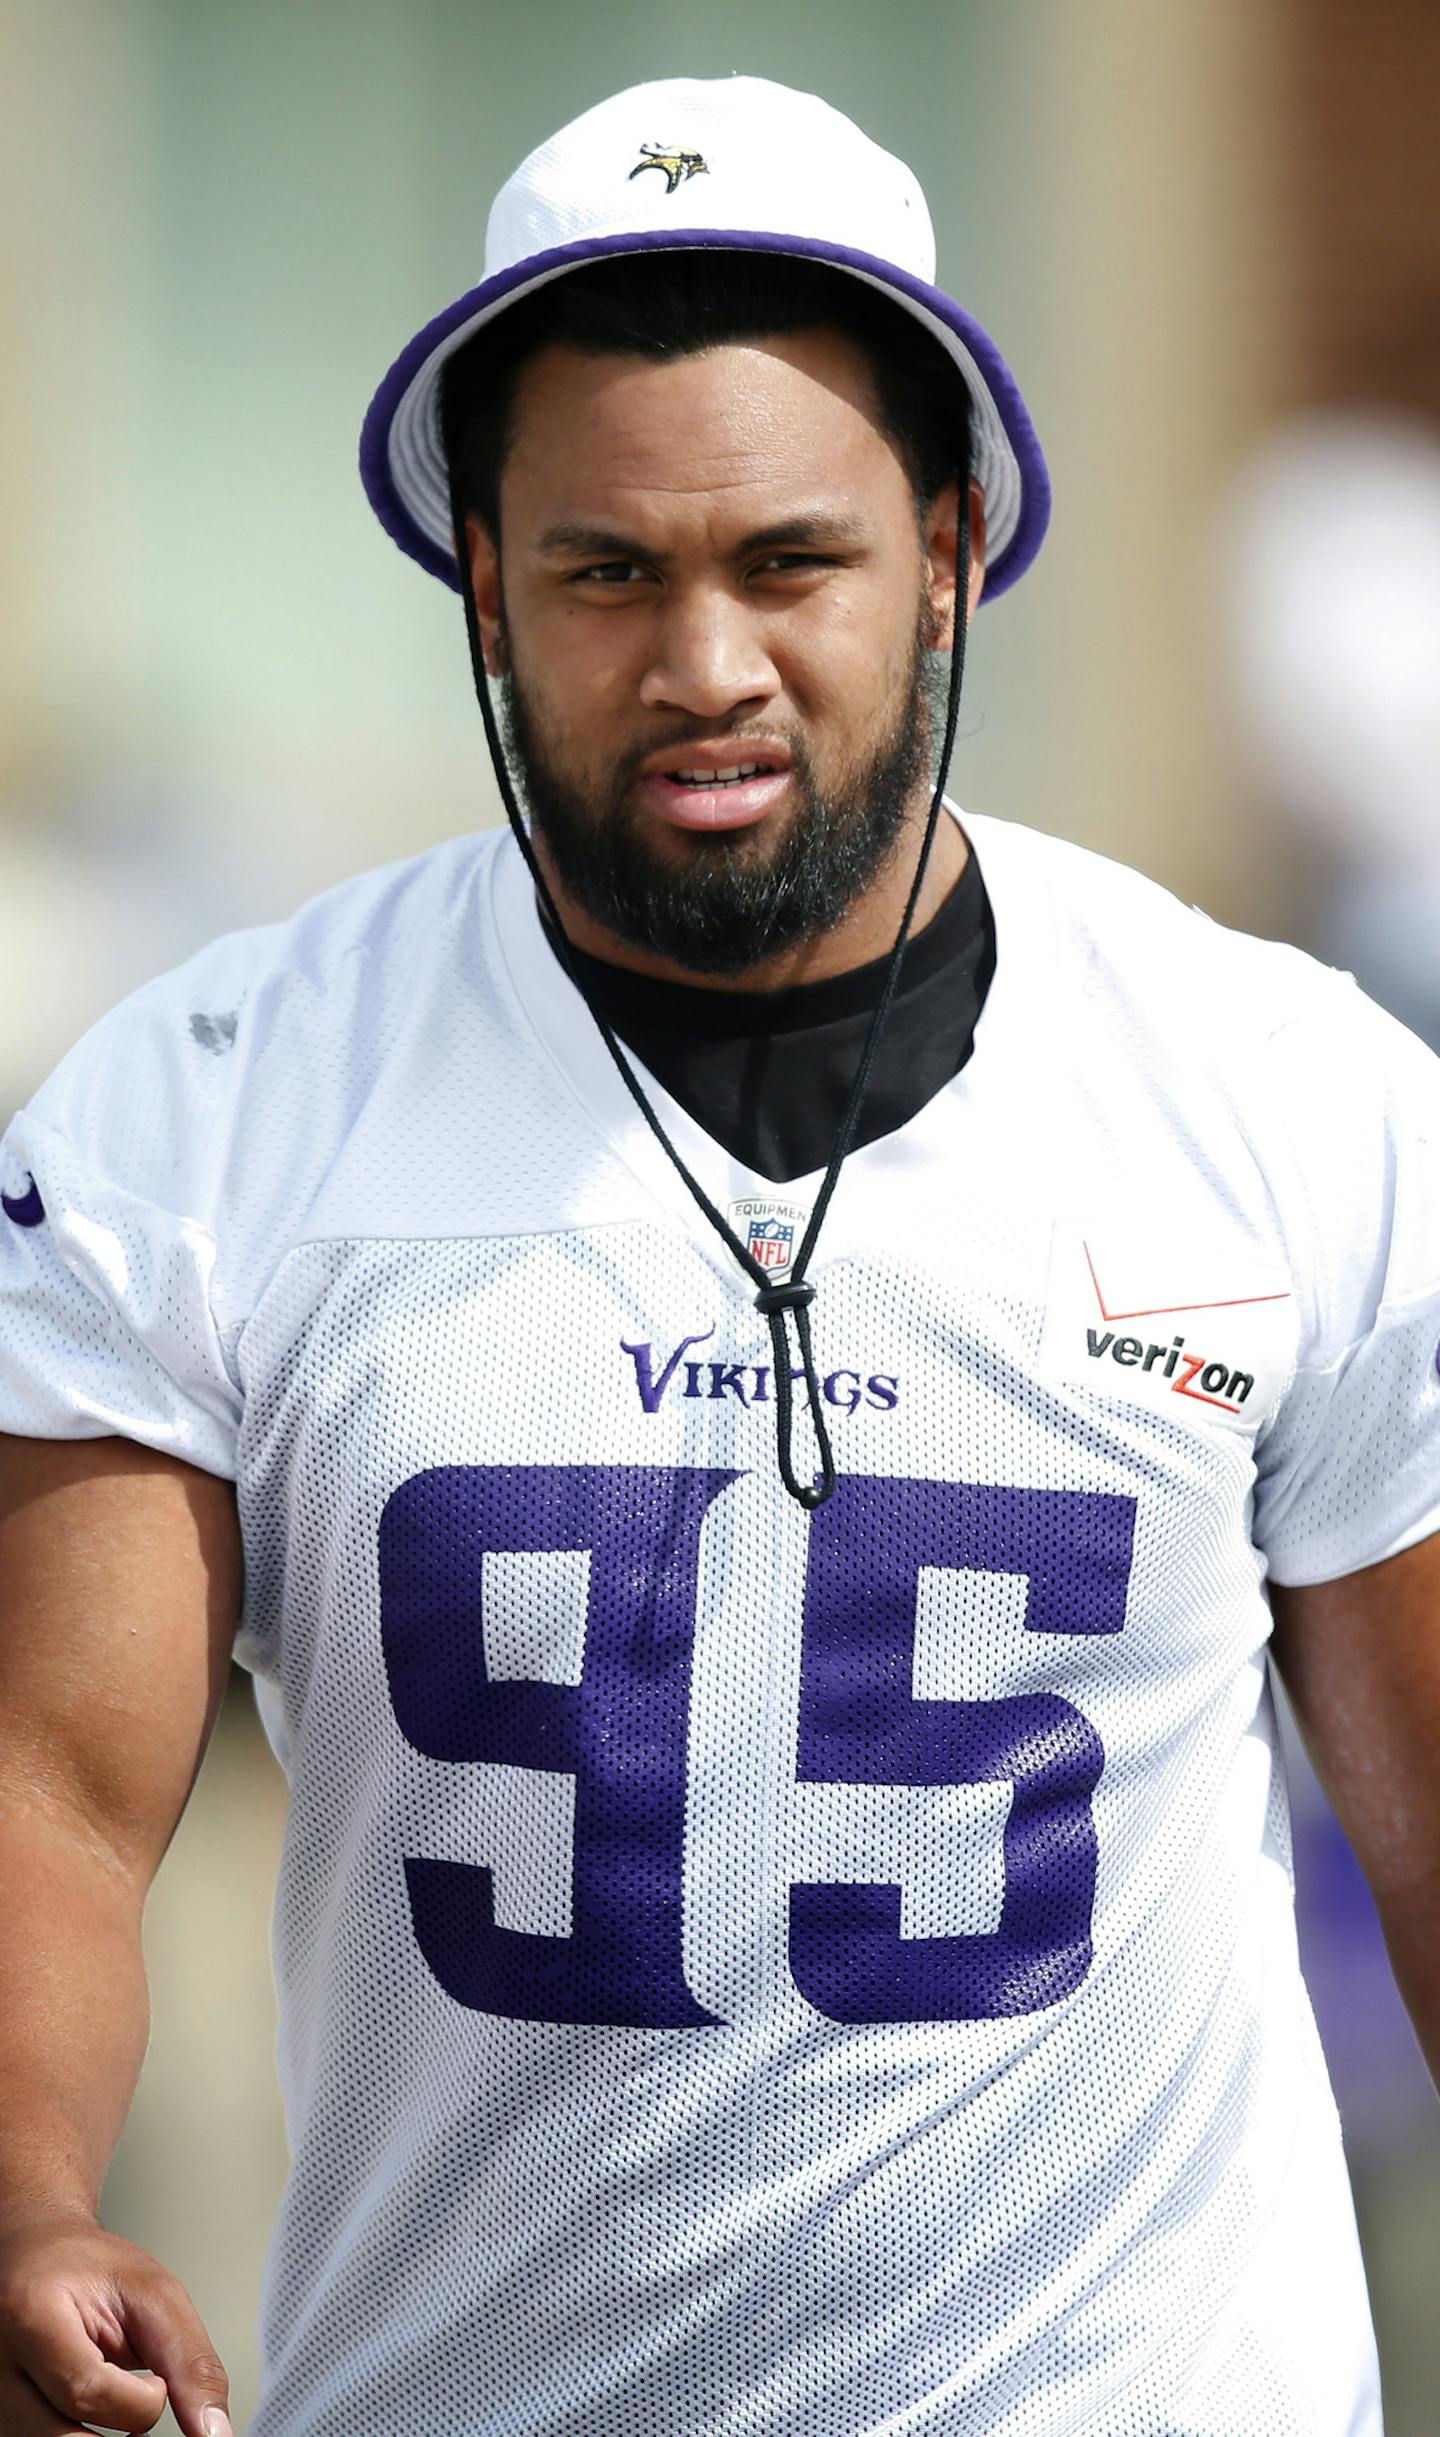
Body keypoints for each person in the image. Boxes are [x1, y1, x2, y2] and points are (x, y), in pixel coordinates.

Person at [0, 71, 1435, 2437]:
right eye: (604, 571)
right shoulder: (213, 1110)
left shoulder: (1287, 1097)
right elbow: (49, 1785)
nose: (705, 665)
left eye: (791, 561)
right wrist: (33, 2194)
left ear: (954, 546)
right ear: (479, 569)